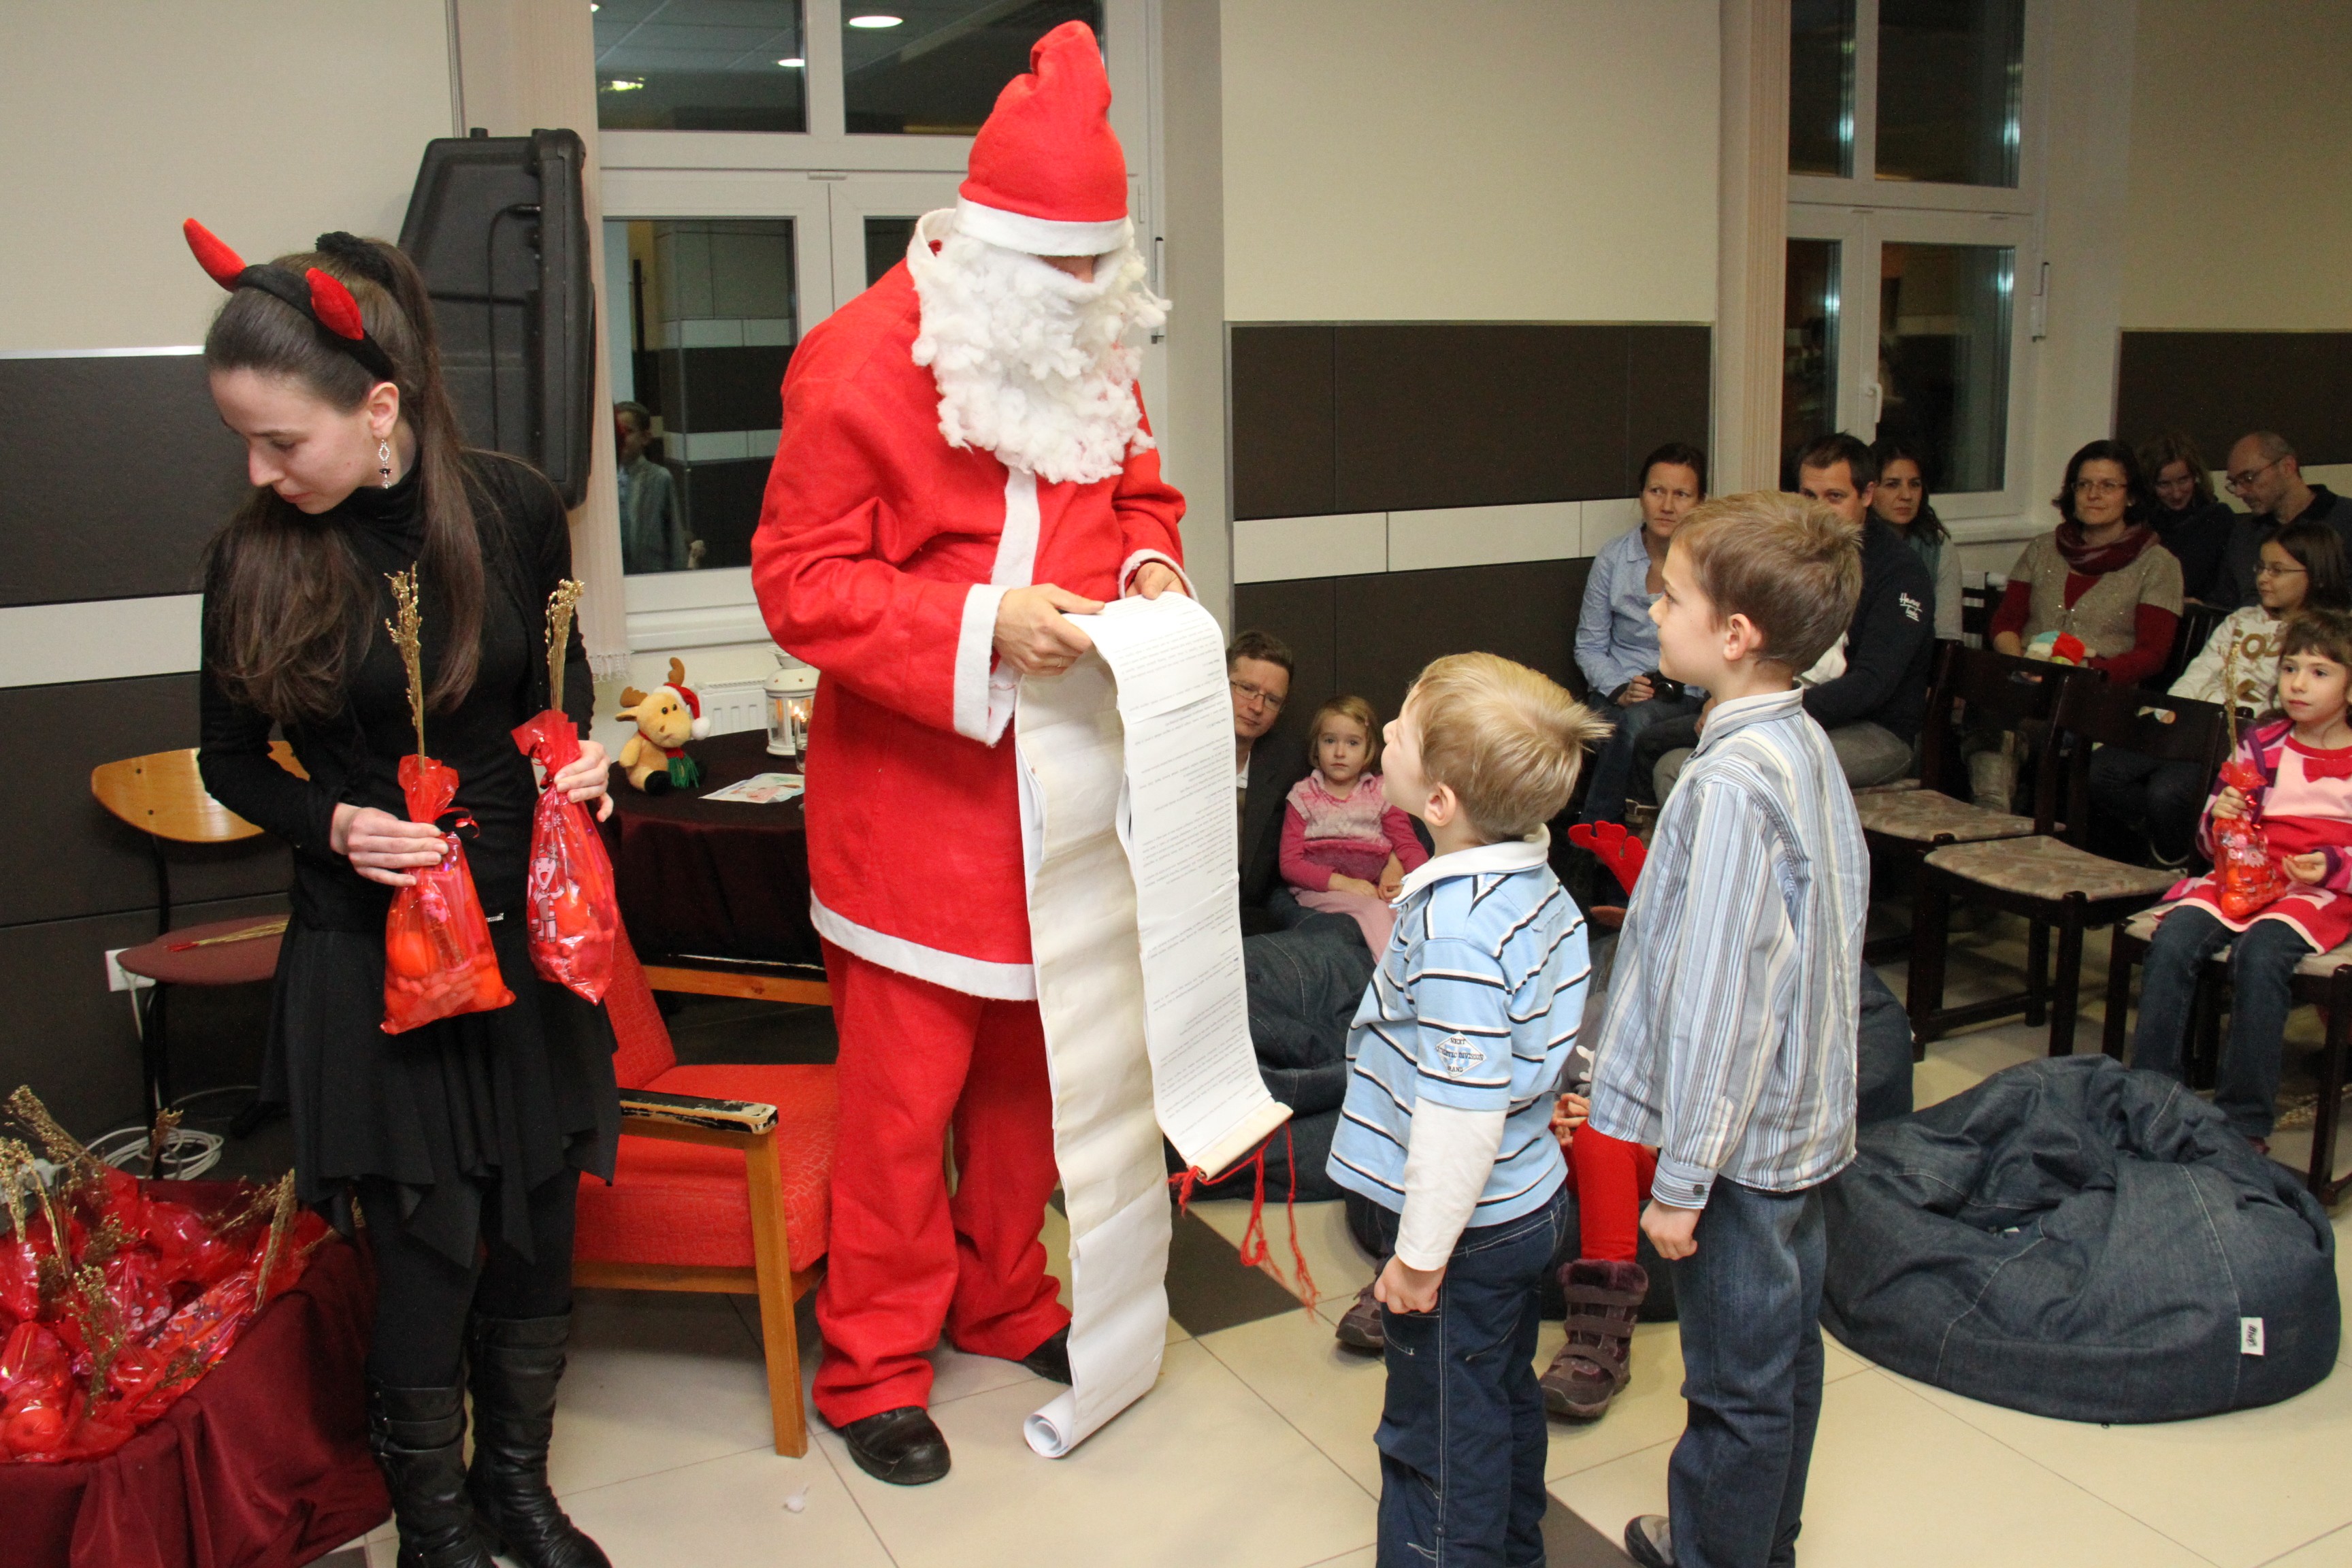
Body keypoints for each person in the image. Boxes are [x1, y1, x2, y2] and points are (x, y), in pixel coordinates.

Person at [748, 23, 1187, 1486]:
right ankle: (873, 1363)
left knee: (1031, 1090)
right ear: (989, 247)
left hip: (1066, 798)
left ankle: (1004, 1297)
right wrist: (984, 623)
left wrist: (1149, 568)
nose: (1087, 296)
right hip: (915, 814)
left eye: (1101, 268)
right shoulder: (858, 361)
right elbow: (799, 582)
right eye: (1062, 270)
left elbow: (1141, 495)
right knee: (899, 1112)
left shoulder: (1090, 345)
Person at [189, 225, 619, 1568]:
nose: (258, 471)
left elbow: (557, 677)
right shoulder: (256, 557)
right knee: (430, 1245)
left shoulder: (511, 505)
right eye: (244, 442)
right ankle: (433, 1533)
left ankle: (516, 1491)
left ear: (379, 408)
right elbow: (226, 762)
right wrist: (333, 824)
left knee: (540, 1224)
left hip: (524, 939)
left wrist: (579, 754)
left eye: (281, 441)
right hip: (371, 954)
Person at [1586, 491, 1868, 1568]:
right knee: (1786, 1359)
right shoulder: (1800, 740)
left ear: (1737, 634)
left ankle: (1716, 1552)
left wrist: (1681, 1178)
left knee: (1734, 1387)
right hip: (1799, 1128)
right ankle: (1760, 1543)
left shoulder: (1730, 787)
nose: (1655, 611)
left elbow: (1722, 1002)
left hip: (1739, 1154)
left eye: (1672, 597)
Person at [1325, 652, 1605, 1568]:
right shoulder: (1532, 881)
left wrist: (1417, 1257)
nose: (1386, 734)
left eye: (1401, 731)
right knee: (1498, 1396)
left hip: (1467, 1227)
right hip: (1525, 1199)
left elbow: (1460, 1116)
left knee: (1438, 1438)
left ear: (1439, 803)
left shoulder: (1457, 933)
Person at [2131, 608, 2352, 1156]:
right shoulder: (2264, 741)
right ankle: (2152, 1097)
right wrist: (2223, 816)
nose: (2298, 684)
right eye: (2290, 668)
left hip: (2320, 891)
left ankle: (2243, 1119)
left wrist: (2331, 864)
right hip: (2246, 875)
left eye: (2320, 672)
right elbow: (2212, 840)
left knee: (2262, 954)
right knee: (2174, 938)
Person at [1646, 433, 1933, 803]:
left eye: (1834, 497)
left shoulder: (1900, 570)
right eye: (1808, 496)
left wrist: (1764, 711)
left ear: (1867, 495)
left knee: (1690, 766)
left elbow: (1871, 685)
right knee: (1653, 742)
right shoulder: (1795, 555)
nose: (1818, 509)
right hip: (1783, 705)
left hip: (1875, 730)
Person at [2091, 520, 2351, 866]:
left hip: (2239, 740)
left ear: (2316, 575)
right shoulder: (2242, 620)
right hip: (2192, 724)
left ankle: (2174, 858)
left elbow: (2288, 704)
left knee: (2168, 791)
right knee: (2102, 770)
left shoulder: (2324, 639)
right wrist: (2171, 711)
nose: (2263, 578)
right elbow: (2201, 670)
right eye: (2261, 568)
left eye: (2277, 570)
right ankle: (2166, 839)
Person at [1972, 440, 2185, 809]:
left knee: (2007, 725)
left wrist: (2085, 672)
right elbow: (2007, 620)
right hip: (2027, 679)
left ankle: (1995, 814)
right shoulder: (2042, 549)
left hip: (2099, 696)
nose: (2093, 495)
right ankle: (1996, 812)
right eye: (2084, 484)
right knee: (1988, 709)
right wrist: (2022, 662)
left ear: (2132, 496)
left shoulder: (2158, 564)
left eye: (2108, 485)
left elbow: (2153, 654)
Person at [1575, 443, 1708, 826]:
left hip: (1683, 692)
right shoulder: (1614, 557)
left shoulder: (1708, 564)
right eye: (1656, 491)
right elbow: (1589, 646)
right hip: (1617, 687)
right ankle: (1622, 831)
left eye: (1681, 494)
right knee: (1613, 722)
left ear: (1700, 502)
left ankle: (1593, 830)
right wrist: (1620, 688)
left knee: (1634, 724)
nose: (1667, 506)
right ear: (1642, 495)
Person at [1280, 695, 1428, 951]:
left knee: (1405, 911)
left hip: (1372, 889)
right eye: (1330, 741)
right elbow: (1290, 865)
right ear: (1316, 746)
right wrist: (1344, 884)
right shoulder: (1303, 795)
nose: (1340, 752)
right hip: (1321, 891)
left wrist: (1419, 883)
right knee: (1375, 911)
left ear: (1368, 749)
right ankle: (1390, 974)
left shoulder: (1382, 793)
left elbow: (1407, 845)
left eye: (1353, 743)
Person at [1231, 629, 1314, 932]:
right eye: (1247, 688)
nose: (1257, 707)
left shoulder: (1291, 763)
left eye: (1272, 699)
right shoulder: (1178, 755)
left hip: (1255, 913)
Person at [2215, 431, 2348, 609]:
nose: (2240, 492)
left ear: (2287, 466)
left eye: (2248, 478)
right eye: (2234, 483)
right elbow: (2224, 604)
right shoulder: (2243, 537)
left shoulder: (2346, 519)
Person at [1872, 438, 1961, 639]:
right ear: (1868, 491)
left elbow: (1947, 635)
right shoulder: (1853, 543)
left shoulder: (1936, 546)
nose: (1906, 495)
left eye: (1914, 484)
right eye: (1892, 485)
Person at [2141, 429, 2234, 605]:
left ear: (2196, 476)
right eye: (2164, 484)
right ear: (2149, 484)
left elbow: (2228, 586)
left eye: (2183, 480)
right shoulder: (2141, 524)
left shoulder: (2218, 519)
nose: (2176, 494)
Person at [614, 401, 696, 572]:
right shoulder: (605, 481)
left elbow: (674, 536)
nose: (621, 439)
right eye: (617, 433)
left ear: (645, 437)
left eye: (628, 432)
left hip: (653, 575)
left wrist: (679, 577)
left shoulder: (659, 478)